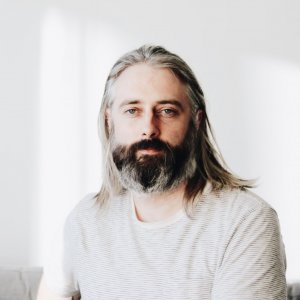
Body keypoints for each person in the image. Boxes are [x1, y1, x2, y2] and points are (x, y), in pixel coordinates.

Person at [37, 45, 287, 299]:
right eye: (132, 110)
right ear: (109, 121)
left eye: (167, 111)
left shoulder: (245, 221)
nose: (149, 128)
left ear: (196, 122)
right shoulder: (85, 221)